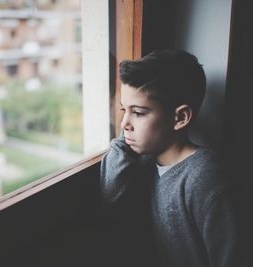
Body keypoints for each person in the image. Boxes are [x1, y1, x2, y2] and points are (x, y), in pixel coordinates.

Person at [100, 49, 242, 267]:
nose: (124, 123)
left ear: (181, 117)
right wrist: (126, 139)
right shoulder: (144, 160)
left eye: (138, 112)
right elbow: (110, 197)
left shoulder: (204, 177)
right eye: (123, 109)